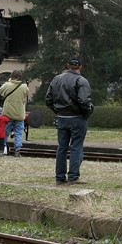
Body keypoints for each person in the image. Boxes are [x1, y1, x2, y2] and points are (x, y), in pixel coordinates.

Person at [45, 56, 94, 185]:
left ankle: (60, 177)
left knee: (62, 148)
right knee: (76, 147)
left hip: (62, 117)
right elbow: (84, 101)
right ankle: (73, 176)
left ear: (68, 66)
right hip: (77, 118)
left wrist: (58, 111)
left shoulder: (57, 79)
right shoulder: (81, 81)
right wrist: (87, 113)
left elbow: (48, 99)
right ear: (80, 67)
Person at [0, 70, 29, 156]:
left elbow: (0, 91)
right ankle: (17, 151)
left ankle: (1, 149)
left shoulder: (7, 85)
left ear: (11, 76)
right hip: (19, 114)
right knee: (19, 133)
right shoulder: (24, 87)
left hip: (8, 113)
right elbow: (26, 94)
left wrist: (8, 82)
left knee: (5, 132)